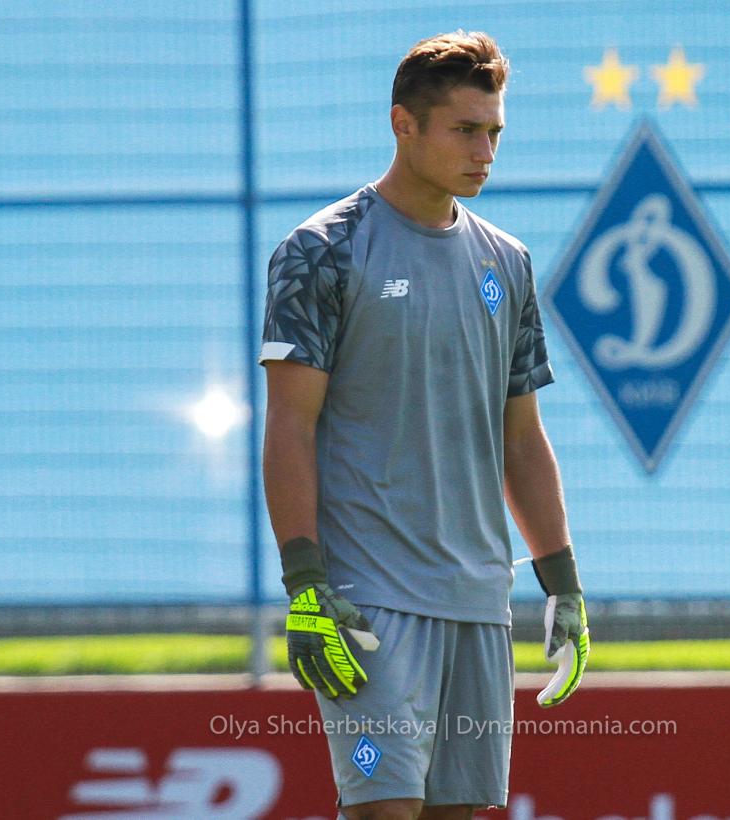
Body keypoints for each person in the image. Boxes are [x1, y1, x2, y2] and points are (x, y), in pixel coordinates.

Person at [260, 30, 589, 820]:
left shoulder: (507, 263)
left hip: (478, 599)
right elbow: (289, 427)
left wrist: (564, 585)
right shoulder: (323, 251)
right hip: (367, 600)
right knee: (385, 810)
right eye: (465, 130)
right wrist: (305, 584)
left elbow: (521, 439)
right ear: (403, 124)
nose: (485, 153)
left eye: (495, 132)